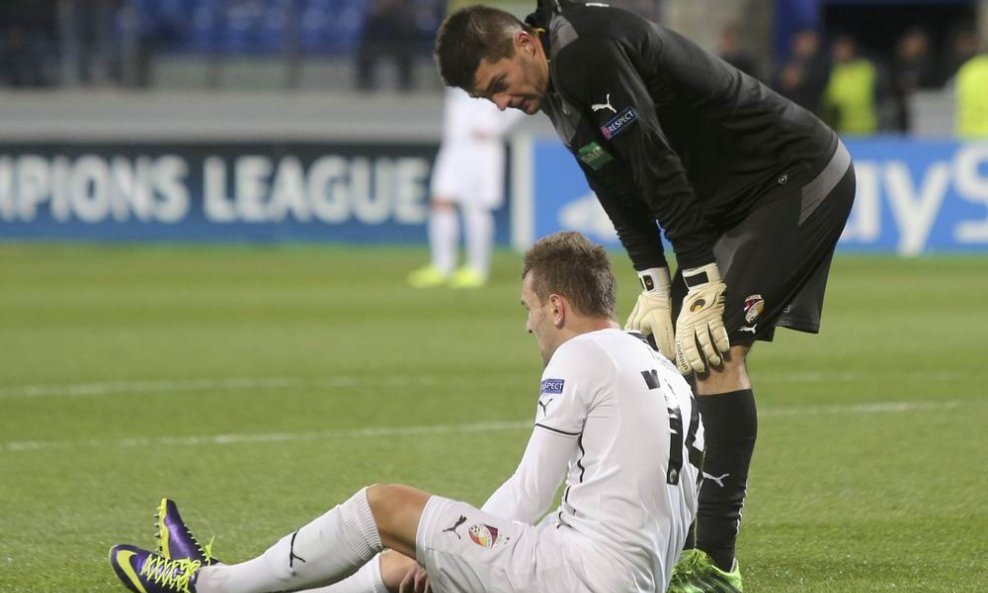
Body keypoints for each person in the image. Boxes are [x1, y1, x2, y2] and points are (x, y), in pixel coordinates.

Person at [433, 2, 856, 591]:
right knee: (659, 361)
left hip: (794, 177)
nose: (503, 104)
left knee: (713, 352)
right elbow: (616, 184)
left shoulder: (584, 52)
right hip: (724, 206)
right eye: (489, 100)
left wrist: (702, 280)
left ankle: (713, 563)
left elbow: (654, 160)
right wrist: (654, 279)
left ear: (524, 44)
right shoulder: (556, 82)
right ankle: (673, 542)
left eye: (499, 85)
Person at [108, 230, 704, 593]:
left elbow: (527, 493)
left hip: (577, 579)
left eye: (525, 307)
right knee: (400, 561)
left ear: (555, 306)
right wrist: (447, 553)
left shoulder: (581, 357)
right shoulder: (665, 373)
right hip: (626, 577)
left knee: (384, 505)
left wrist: (455, 548)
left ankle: (205, 584)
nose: (526, 324)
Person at [408, 86, 524, 288]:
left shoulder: (494, 63)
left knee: (475, 206)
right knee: (441, 200)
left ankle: (477, 269)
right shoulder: (457, 67)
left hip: (481, 147)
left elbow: (518, 99)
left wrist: (495, 127)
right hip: (454, 145)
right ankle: (442, 266)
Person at [821, 34, 881, 135]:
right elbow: (828, 102)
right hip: (842, 131)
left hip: (868, 129)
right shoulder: (830, 72)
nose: (843, 53)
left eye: (846, 49)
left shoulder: (865, 69)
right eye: (839, 50)